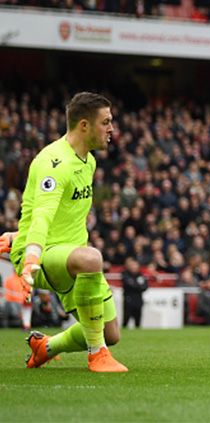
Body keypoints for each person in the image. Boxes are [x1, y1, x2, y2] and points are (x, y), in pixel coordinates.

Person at [0, 92, 127, 372]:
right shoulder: (53, 162)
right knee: (92, 259)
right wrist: (30, 253)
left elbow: (57, 213)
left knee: (112, 334)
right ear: (84, 125)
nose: (112, 129)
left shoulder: (88, 161)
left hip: (68, 255)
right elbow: (43, 215)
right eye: (106, 122)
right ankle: (97, 355)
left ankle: (45, 347)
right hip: (42, 255)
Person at [121, 257, 148, 328]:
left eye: (135, 265)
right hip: (128, 300)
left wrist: (135, 285)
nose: (134, 267)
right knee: (126, 320)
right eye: (132, 265)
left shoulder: (141, 275)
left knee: (138, 322)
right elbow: (129, 284)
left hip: (138, 300)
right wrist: (138, 286)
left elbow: (145, 287)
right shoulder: (125, 274)